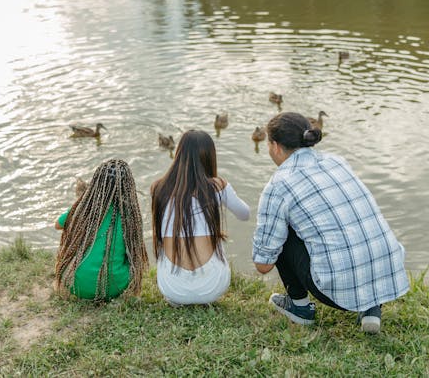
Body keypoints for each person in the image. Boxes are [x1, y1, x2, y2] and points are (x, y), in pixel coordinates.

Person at [252, 112, 409, 334]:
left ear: (275, 146)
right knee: (350, 221)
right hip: (387, 275)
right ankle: (371, 308)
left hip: (336, 291)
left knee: (282, 229)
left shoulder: (279, 185)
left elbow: (263, 265)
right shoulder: (337, 161)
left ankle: (300, 307)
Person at [151, 129, 250, 305]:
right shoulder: (217, 186)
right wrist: (224, 191)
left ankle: (180, 296)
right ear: (209, 157)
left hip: (172, 289)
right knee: (216, 235)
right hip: (212, 288)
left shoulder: (159, 187)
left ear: (178, 154)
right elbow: (245, 214)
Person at [54, 158, 148, 301]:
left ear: (96, 184)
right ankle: (125, 288)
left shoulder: (82, 209)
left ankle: (66, 280)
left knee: (69, 241)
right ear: (128, 186)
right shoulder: (130, 217)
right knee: (134, 252)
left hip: (74, 284)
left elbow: (58, 225)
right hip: (114, 288)